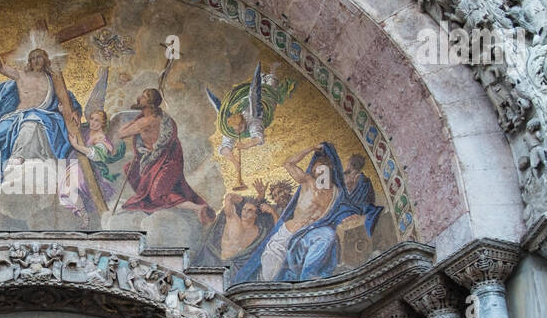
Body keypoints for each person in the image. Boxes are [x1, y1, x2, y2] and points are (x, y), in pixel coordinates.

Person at [233, 142, 382, 282]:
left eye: (323, 170)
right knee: (270, 274)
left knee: (328, 235)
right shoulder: (308, 182)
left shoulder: (337, 193)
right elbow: (288, 164)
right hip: (289, 233)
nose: (320, 173)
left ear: (330, 171)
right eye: (317, 170)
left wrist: (349, 216)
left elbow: (342, 211)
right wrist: (310, 148)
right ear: (313, 172)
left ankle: (308, 277)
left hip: (309, 234)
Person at [0, 31, 79, 164]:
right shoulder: (21, 75)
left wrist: (74, 110)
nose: (36, 60)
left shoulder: (53, 80)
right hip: (18, 116)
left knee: (30, 124)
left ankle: (19, 156)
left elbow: (66, 97)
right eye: (33, 58)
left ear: (46, 59)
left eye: (39, 57)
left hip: (40, 116)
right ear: (29, 61)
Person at [116, 88, 211, 219]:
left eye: (143, 97)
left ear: (149, 103)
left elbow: (120, 133)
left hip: (164, 163)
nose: (139, 98)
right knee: (130, 169)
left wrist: (134, 120)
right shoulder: (160, 116)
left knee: (157, 195)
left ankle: (197, 208)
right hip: (162, 160)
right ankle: (162, 205)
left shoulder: (145, 121)